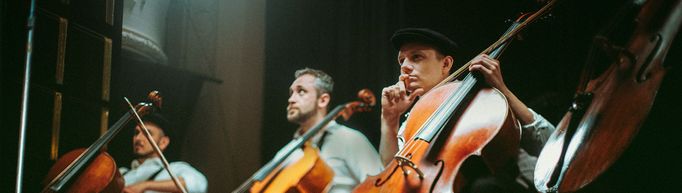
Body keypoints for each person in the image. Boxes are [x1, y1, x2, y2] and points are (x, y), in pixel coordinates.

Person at [378, 28, 555, 192]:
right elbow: (392, 175)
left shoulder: (478, 100)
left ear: (446, 64)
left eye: (416, 57)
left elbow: (550, 144)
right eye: (402, 60)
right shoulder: (413, 119)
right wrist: (389, 119)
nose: (405, 66)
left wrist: (503, 90)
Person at [280, 68, 384, 193]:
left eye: (301, 91)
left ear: (323, 100)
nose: (291, 99)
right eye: (291, 93)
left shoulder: (349, 139)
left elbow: (380, 187)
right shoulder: (286, 154)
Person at [119, 113, 208, 193]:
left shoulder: (174, 169)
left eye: (147, 133)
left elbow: (198, 183)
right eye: (136, 133)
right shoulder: (120, 174)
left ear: (163, 142)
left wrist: (145, 185)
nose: (138, 138)